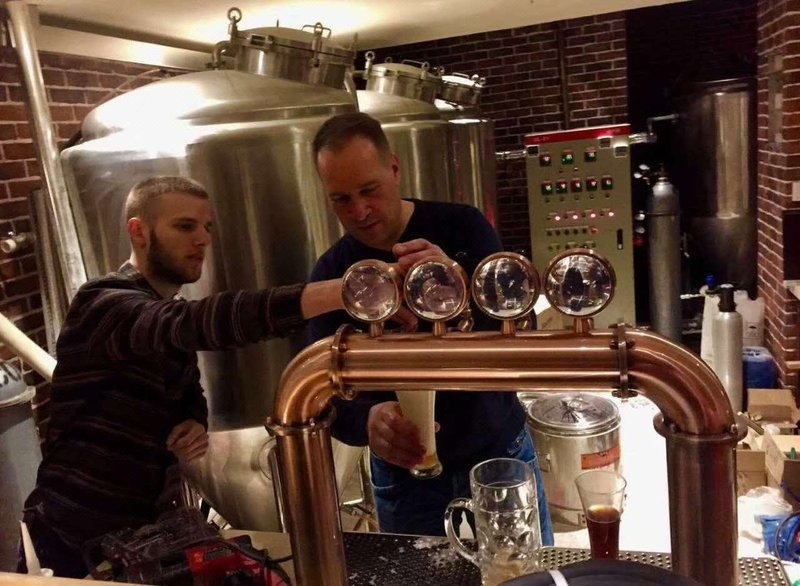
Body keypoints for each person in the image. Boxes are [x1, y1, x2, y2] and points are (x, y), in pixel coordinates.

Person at [18, 176, 353, 578]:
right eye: (185, 226)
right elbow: (195, 323)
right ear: (139, 231)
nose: (203, 239)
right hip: (72, 536)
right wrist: (341, 292)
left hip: (141, 535)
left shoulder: (163, 310)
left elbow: (188, 391)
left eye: (207, 227)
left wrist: (194, 421)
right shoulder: (104, 303)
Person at [308, 112, 554, 543]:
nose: (360, 211)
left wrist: (461, 288)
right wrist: (367, 421)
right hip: (405, 474)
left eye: (369, 190)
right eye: (341, 199)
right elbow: (321, 392)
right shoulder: (331, 274)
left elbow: (523, 331)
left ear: (395, 169)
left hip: (497, 449)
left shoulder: (463, 227)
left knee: (526, 571)